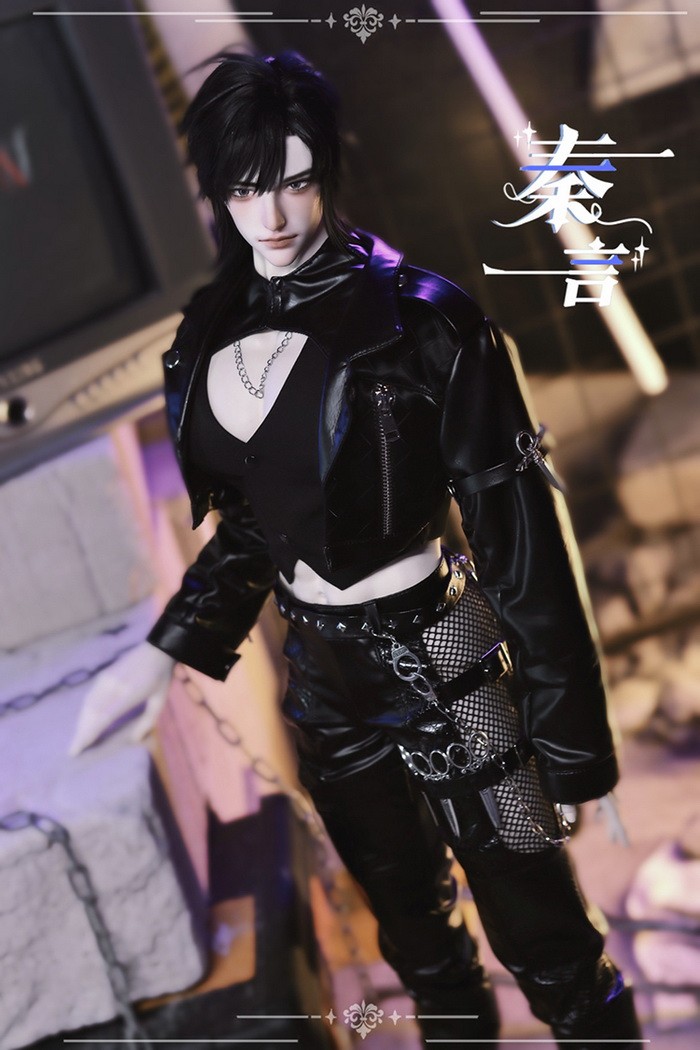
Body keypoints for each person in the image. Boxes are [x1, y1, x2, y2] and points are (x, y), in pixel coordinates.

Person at [71, 51, 642, 1048]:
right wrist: (159, 657)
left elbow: (520, 542)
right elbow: (259, 525)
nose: (273, 214)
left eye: (295, 180)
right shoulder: (209, 330)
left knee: (548, 936)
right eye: (246, 188)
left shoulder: (425, 321)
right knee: (416, 939)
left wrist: (570, 747)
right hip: (325, 682)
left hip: (447, 658)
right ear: (215, 188)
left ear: (328, 170)